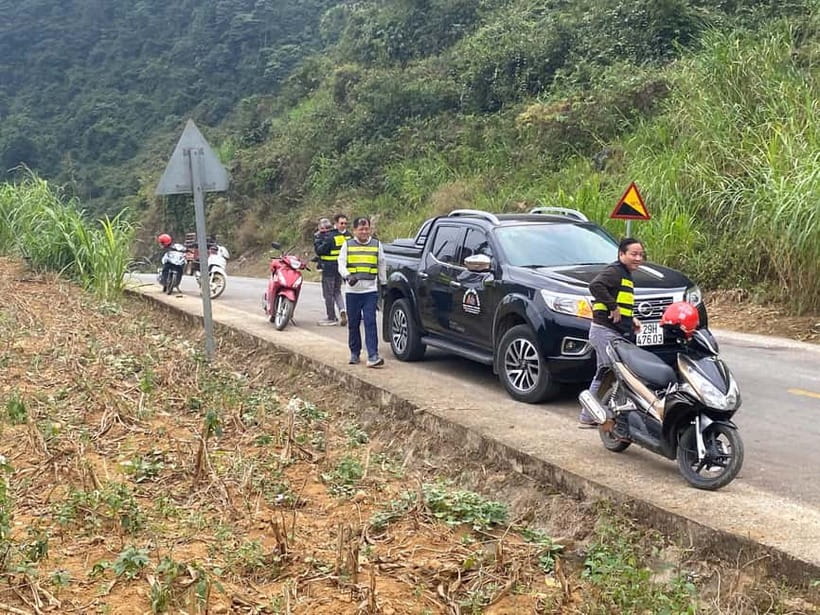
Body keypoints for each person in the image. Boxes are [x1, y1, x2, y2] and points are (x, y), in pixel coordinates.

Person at [578, 237, 645, 427]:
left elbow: (620, 300)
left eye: (641, 255)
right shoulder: (615, 271)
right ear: (621, 254)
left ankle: (594, 414)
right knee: (608, 371)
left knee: (609, 373)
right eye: (634, 254)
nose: (638, 258)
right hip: (604, 331)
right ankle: (590, 415)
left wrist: (630, 319)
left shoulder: (625, 274)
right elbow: (595, 286)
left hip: (613, 331)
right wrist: (613, 307)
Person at [338, 216, 386, 368]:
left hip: (370, 291)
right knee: (353, 323)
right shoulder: (347, 245)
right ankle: (355, 352)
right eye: (361, 229)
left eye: (367, 229)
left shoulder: (377, 245)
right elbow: (341, 263)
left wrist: (384, 283)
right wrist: (347, 276)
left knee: (370, 322)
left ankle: (373, 355)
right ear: (354, 231)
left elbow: (382, 264)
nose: (364, 232)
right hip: (352, 292)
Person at [314, 214, 351, 326]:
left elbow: (320, 251)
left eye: (345, 223)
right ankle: (342, 310)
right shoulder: (348, 236)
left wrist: (317, 240)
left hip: (329, 268)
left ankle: (331, 317)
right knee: (337, 291)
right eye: (342, 223)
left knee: (328, 294)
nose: (343, 225)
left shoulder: (331, 237)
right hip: (340, 268)